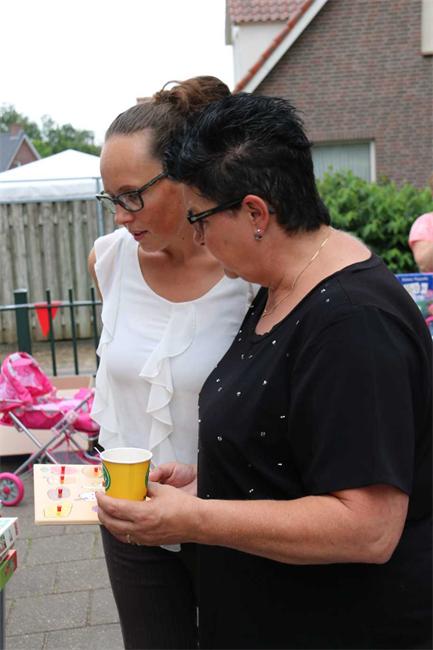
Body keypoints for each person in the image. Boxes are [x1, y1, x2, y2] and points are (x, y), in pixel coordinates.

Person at [96, 94, 432, 649]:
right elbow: (289, 456)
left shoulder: (354, 322)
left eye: (200, 219)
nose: (197, 238)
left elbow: (368, 527)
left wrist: (195, 520)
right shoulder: (282, 288)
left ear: (255, 213)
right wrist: (210, 483)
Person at [88, 78, 256, 650]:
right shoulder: (108, 261)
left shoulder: (246, 271)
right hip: (130, 517)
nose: (120, 216)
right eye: (110, 199)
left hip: (230, 517)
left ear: (186, 176)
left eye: (132, 195)